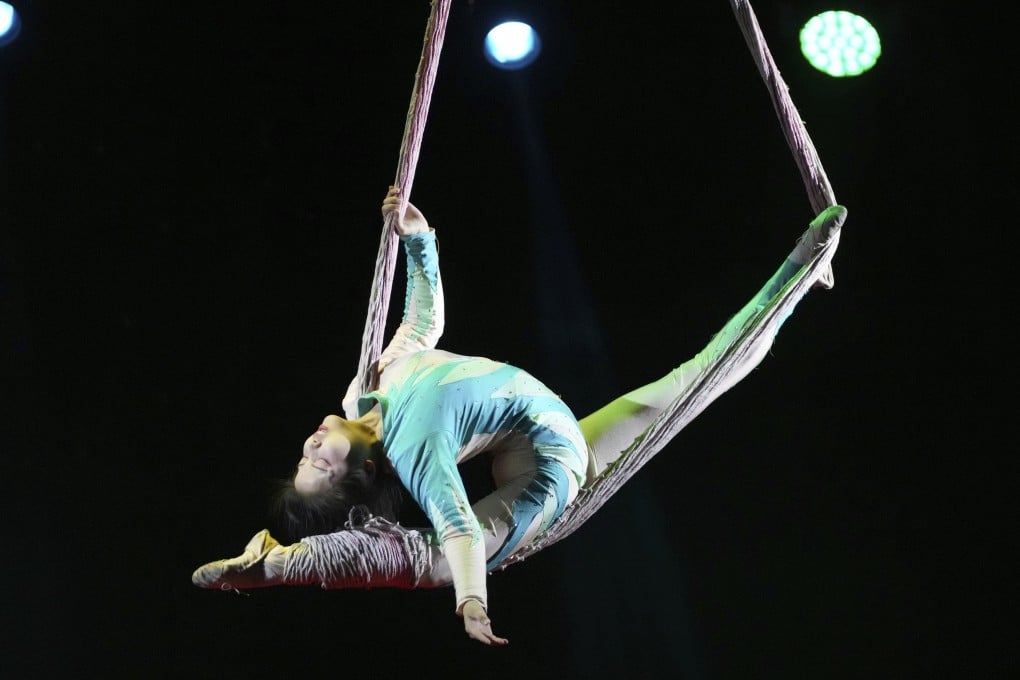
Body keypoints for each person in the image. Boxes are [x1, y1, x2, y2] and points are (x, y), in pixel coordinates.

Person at [193, 185, 847, 646]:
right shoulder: (415, 443)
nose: (309, 447)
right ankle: (286, 565)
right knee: (694, 382)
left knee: (686, 382)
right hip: (549, 473)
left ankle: (796, 273)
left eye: (302, 459)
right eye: (320, 467)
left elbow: (421, 326)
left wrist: (420, 242)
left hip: (537, 428)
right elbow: (461, 533)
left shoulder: (361, 392)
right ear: (356, 474)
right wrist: (472, 602)